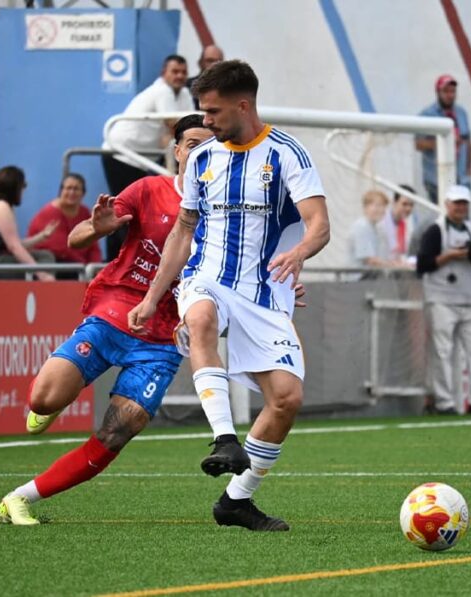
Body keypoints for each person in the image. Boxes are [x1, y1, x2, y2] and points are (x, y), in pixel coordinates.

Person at [129, 60, 331, 532]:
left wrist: (300, 252)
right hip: (207, 277)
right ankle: (223, 437)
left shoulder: (288, 154)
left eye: (214, 111)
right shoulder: (202, 157)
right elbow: (183, 231)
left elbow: (319, 225)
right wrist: (153, 295)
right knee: (198, 319)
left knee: (285, 400)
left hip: (263, 291)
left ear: (243, 105)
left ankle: (236, 501)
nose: (206, 121)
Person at [0, 115, 216, 526]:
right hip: (116, 308)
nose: (201, 152)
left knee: (121, 428)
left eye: (210, 145)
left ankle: (20, 498)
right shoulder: (149, 189)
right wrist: (96, 229)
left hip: (164, 337)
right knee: (44, 398)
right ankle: (46, 405)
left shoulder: (225, 212)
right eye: (193, 144)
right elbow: (75, 238)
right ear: (178, 151)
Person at [103, 54, 192, 258]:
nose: (179, 76)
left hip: (140, 158)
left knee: (131, 210)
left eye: (183, 72)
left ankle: (121, 258)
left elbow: (190, 124)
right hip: (120, 153)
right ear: (164, 73)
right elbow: (173, 124)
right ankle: (120, 259)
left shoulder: (184, 94)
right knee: (124, 210)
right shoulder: (162, 91)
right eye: (174, 71)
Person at [416, 184, 471, 415]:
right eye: (456, 203)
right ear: (447, 204)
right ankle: (444, 401)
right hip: (441, 299)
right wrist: (449, 256)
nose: (460, 207)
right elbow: (423, 264)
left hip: (470, 299)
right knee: (441, 352)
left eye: (463, 204)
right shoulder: (435, 231)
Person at [415, 75, 471, 202]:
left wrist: (468, 169)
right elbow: (418, 144)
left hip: (460, 177)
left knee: (463, 218)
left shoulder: (461, 113)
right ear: (438, 92)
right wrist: (443, 142)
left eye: (452, 91)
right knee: (443, 216)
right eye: (445, 91)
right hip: (436, 177)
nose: (450, 95)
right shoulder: (427, 115)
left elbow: (468, 141)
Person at [26, 173, 102, 266]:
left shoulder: (86, 213)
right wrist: (83, 266)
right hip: (52, 265)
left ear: (83, 193)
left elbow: (94, 247)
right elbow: (59, 249)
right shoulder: (49, 213)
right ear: (61, 191)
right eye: (68, 188)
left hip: (80, 267)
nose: (72, 192)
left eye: (76, 189)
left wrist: (95, 268)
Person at [350, 190, 400, 270]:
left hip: (371, 278)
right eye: (377, 205)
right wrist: (395, 266)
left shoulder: (378, 228)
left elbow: (385, 257)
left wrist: (396, 263)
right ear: (365, 207)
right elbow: (369, 260)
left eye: (383, 206)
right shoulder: (361, 226)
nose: (381, 210)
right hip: (359, 279)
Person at [380, 184, 418, 262]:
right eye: (404, 204)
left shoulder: (406, 223)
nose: (408, 208)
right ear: (394, 202)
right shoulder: (382, 222)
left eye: (411, 205)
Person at [186, 45, 224, 110]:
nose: (214, 64)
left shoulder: (229, 87)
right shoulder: (187, 85)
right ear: (200, 63)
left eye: (218, 61)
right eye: (210, 61)